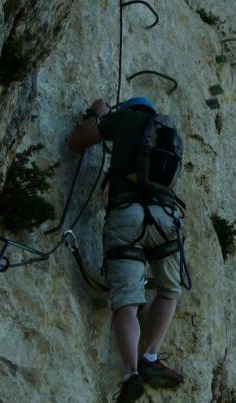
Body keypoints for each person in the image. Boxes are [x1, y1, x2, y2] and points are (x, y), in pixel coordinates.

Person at [67, 96, 186, 403]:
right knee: (169, 290)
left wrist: (97, 115)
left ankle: (131, 373)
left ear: (130, 109)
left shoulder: (124, 120)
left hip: (126, 217)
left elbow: (77, 141)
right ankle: (151, 357)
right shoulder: (167, 132)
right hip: (165, 220)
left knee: (126, 301)